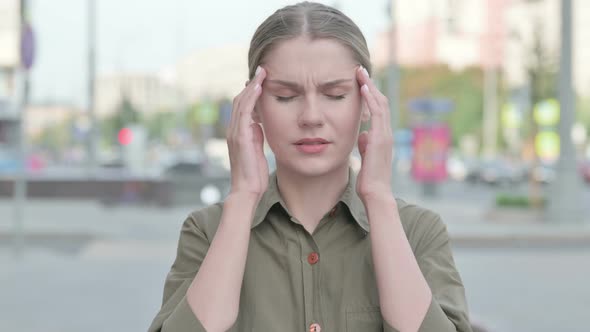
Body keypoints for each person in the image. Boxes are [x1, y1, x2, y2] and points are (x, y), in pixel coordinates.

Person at [149, 2, 472, 331]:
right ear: (253, 106)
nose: (311, 117)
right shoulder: (208, 231)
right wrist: (243, 197)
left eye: (335, 94)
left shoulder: (417, 232)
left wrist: (378, 198)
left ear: (367, 102)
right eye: (286, 96)